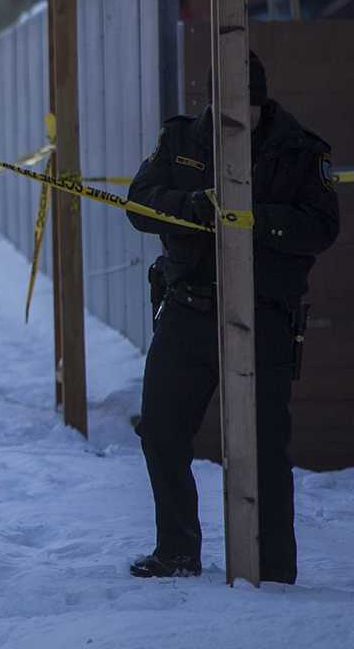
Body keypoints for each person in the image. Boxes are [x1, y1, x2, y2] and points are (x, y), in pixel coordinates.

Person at [124, 51, 339, 583]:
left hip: (264, 314)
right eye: (226, 107)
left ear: (264, 102)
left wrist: (254, 220)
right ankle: (176, 550)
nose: (237, 118)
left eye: (249, 107)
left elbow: (321, 227)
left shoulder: (299, 150)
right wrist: (196, 205)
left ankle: (272, 567)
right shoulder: (181, 140)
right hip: (190, 305)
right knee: (161, 429)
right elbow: (140, 203)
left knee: (265, 445)